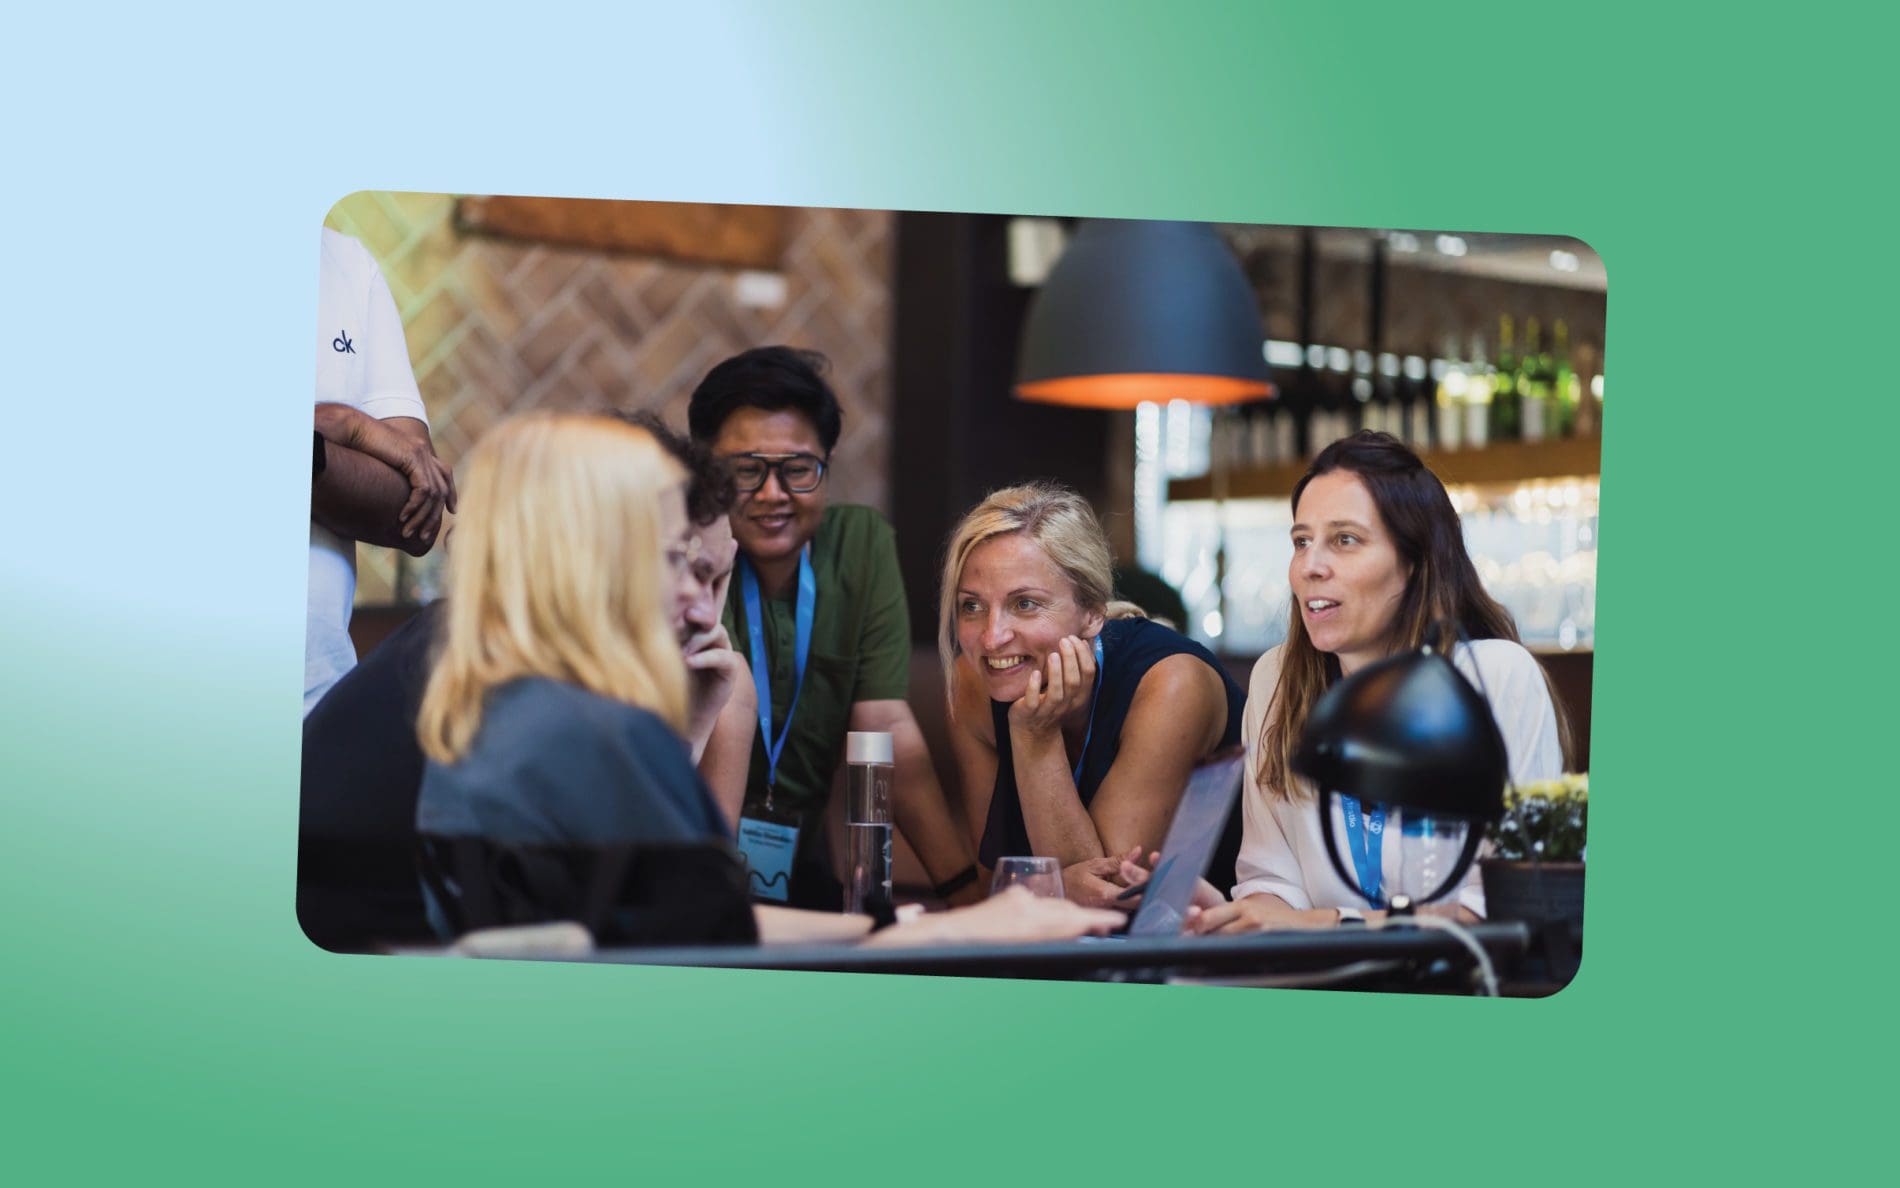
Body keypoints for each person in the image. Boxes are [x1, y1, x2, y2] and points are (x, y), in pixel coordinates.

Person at [413, 412, 1119, 948]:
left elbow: (688, 918)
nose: (698, 603)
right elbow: (707, 946)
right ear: (587, 561)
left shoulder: (490, 705)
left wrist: (889, 927)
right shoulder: (590, 730)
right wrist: (969, 929)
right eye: (672, 562)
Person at [298, 412, 753, 950]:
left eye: (714, 578)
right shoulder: (559, 705)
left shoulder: (457, 650)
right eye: (677, 562)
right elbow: (703, 921)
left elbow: (639, 893)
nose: (703, 610)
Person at [1189, 430, 1568, 934]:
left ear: (1413, 563)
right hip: (1315, 989)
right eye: (1301, 541)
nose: (1309, 567)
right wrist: (1239, 916)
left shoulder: (1496, 677)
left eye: (1345, 540)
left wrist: (1326, 925)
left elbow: (1502, 907)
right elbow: (1270, 879)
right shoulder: (1277, 678)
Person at [688, 347, 979, 910]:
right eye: (746, 470)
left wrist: (965, 891)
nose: (773, 494)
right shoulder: (686, 561)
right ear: (705, 470)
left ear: (826, 462)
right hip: (692, 869)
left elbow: (884, 723)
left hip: (802, 870)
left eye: (797, 469)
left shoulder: (860, 546)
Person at [940, 482, 1247, 910]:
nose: (992, 638)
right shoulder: (973, 682)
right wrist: (1057, 886)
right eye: (971, 606)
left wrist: (1036, 737)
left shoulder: (1172, 683)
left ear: (1092, 612)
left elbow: (1110, 898)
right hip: (1063, 959)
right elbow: (995, 883)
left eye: (1025, 603)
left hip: (1219, 949)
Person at [308, 227, 455, 715]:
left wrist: (335, 427)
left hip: (315, 698)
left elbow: (412, 512)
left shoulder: (348, 263)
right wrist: (344, 428)